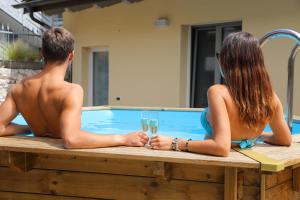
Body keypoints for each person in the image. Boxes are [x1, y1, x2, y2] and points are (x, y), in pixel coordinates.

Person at [0, 27, 148, 148]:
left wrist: (29, 129)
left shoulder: (19, 89)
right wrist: (122, 138)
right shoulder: (71, 91)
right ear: (71, 56)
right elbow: (71, 139)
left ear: (42, 52)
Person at [150, 32, 292, 156]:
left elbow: (221, 147)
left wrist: (175, 142)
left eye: (220, 56)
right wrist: (256, 136)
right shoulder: (269, 96)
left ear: (227, 61)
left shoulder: (218, 92)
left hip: (213, 171)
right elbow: (284, 139)